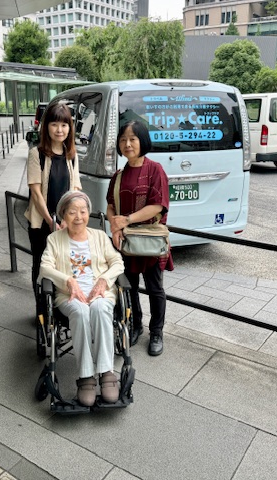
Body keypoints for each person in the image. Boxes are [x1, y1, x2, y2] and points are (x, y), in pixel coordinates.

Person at [40, 191, 124, 407]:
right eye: (72, 212)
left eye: (83, 211)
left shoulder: (100, 236)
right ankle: (86, 376)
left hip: (100, 292)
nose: (78, 217)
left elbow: (117, 262)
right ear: (63, 216)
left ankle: (106, 372)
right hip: (69, 295)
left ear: (89, 213)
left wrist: (104, 280)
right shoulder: (54, 239)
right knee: (80, 311)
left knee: (100, 309)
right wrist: (68, 280)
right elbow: (45, 268)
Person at [106, 120, 173, 357]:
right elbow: (110, 206)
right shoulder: (118, 175)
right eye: (123, 139)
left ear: (142, 141)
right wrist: (115, 226)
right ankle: (135, 325)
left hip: (149, 240)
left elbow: (158, 205)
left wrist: (127, 220)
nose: (128, 144)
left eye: (133, 139)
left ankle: (157, 332)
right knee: (130, 287)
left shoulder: (155, 170)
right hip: (126, 242)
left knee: (155, 288)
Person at [24, 103, 81, 307]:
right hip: (42, 224)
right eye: (54, 124)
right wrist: (50, 221)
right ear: (46, 126)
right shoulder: (37, 154)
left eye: (64, 125)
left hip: (65, 224)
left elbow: (75, 189)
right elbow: (36, 192)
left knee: (63, 266)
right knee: (41, 266)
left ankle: (57, 310)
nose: (59, 130)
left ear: (70, 128)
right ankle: (41, 311)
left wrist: (67, 220)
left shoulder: (71, 155)